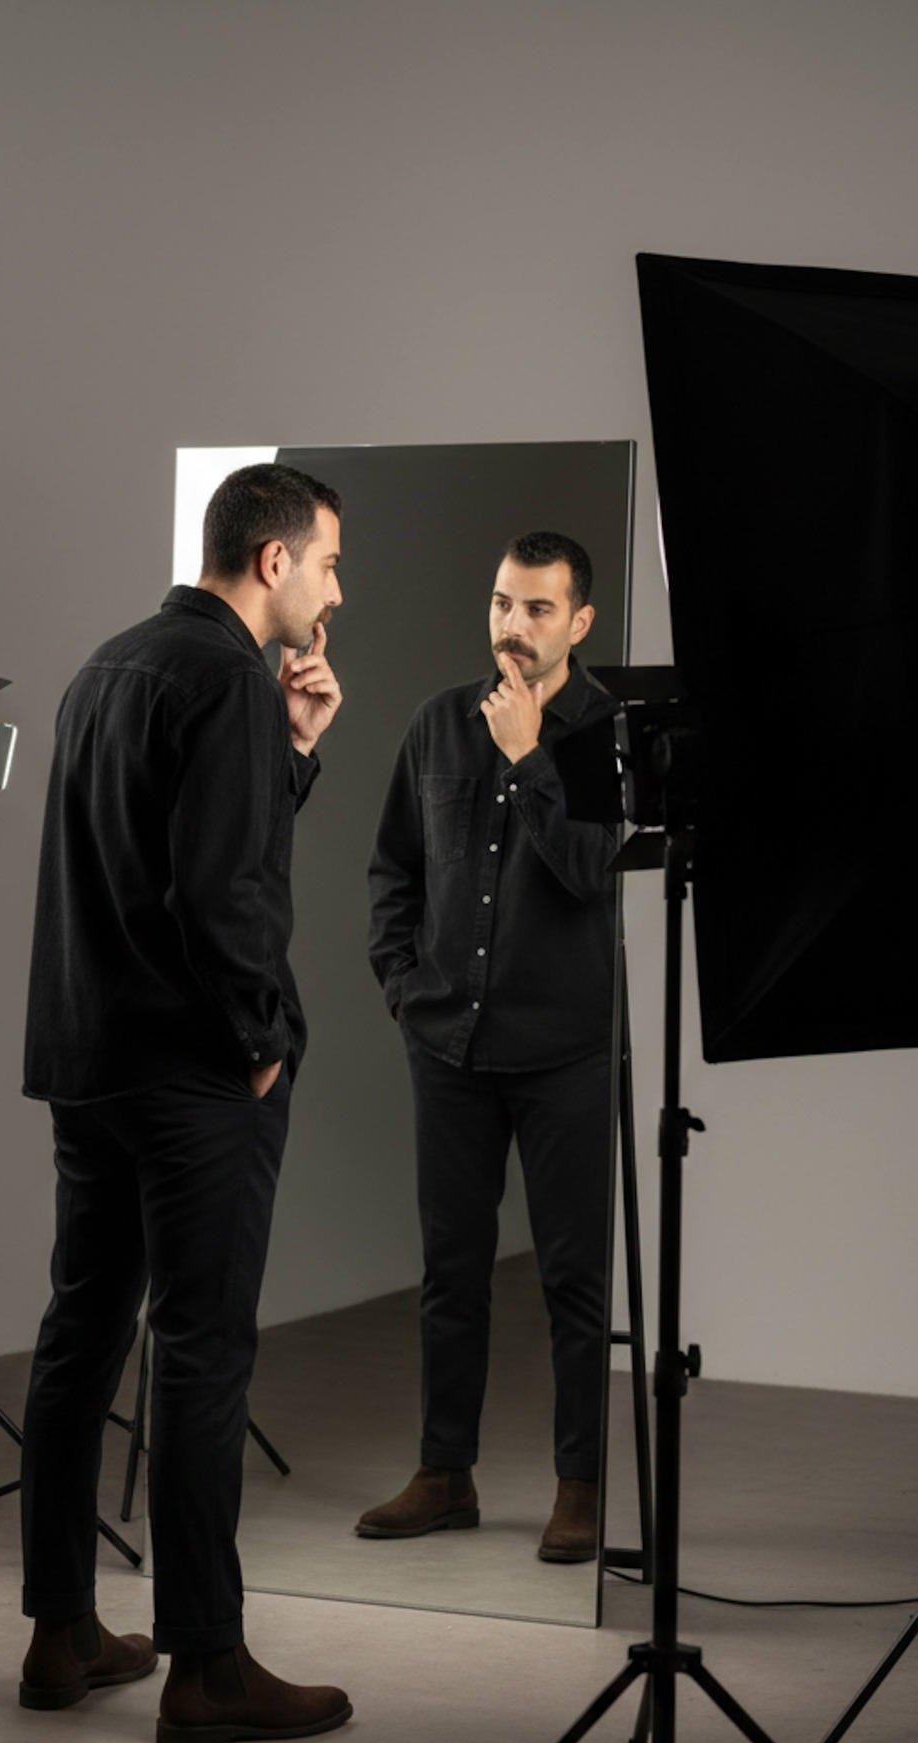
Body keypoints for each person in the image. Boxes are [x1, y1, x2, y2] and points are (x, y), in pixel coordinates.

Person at [19, 463, 352, 1743]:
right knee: (206, 1347)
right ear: (270, 561)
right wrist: (263, 1037)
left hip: (89, 1058)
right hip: (192, 1073)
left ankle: (60, 1631)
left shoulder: (108, 664)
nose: (335, 591)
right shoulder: (221, 678)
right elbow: (223, 894)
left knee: (81, 1331)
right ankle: (206, 1663)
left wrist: (296, 750)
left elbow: (168, 848)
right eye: (326, 562)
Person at [360, 530, 616, 1563]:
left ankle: (579, 1485)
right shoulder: (434, 723)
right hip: (450, 1044)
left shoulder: (603, 732)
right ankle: (444, 1472)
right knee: (449, 1272)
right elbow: (391, 869)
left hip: (564, 1050)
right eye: (504, 603)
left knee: (572, 1279)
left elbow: (589, 869)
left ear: (580, 622)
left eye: (539, 609)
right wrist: (400, 986)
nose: (515, 625)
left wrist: (528, 756)